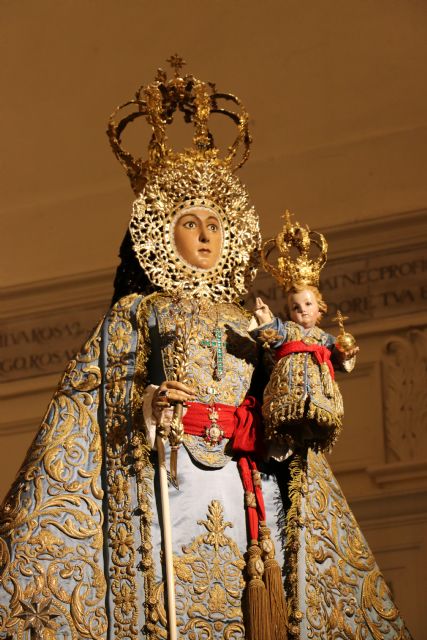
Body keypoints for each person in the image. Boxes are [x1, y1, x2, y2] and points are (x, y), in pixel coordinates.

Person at [0, 64, 411, 640]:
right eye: (189, 223)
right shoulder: (139, 312)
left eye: (215, 224)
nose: (205, 235)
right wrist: (145, 404)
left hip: (247, 481)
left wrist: (302, 361)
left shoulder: (252, 318)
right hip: (170, 474)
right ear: (160, 234)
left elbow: (293, 412)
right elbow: (97, 393)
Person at [251, 282, 359, 453]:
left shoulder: (324, 338)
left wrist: (345, 353)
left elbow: (338, 357)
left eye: (308, 304)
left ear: (320, 308)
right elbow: (273, 335)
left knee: (315, 419)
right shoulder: (287, 330)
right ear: (290, 313)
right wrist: (265, 318)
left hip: (318, 392)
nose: (303, 310)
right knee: (288, 419)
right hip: (289, 389)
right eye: (296, 307)